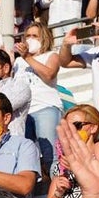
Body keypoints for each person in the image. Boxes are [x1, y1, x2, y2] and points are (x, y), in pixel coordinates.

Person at [14, 21, 61, 175]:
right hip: (24, 113)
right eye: (27, 36)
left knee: (49, 154)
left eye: (35, 36)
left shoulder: (51, 55)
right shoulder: (18, 61)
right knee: (27, 157)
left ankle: (58, 184)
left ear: (44, 38)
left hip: (45, 107)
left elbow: (49, 74)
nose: (30, 39)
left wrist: (27, 57)